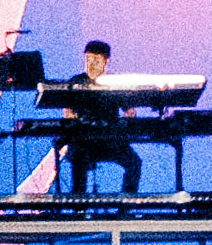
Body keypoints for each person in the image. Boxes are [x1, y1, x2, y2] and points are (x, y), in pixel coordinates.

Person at [58, 40, 146, 195]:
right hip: (83, 140)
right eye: (88, 60)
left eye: (96, 60)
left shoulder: (114, 83)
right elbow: (67, 111)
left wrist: (124, 123)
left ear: (106, 62)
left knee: (134, 163)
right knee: (79, 158)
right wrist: (75, 123)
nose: (91, 65)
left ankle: (126, 202)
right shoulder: (76, 82)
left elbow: (130, 111)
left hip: (110, 139)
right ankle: (79, 203)